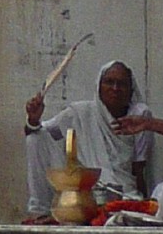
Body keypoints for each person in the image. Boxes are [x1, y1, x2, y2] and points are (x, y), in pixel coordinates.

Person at [23, 60, 154, 219]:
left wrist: (146, 207)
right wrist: (33, 120)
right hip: (85, 191)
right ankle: (41, 211)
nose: (115, 88)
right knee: (35, 138)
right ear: (99, 87)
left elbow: (139, 167)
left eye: (122, 84)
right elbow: (41, 132)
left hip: (123, 192)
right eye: (109, 82)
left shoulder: (140, 115)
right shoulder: (80, 113)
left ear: (131, 89)